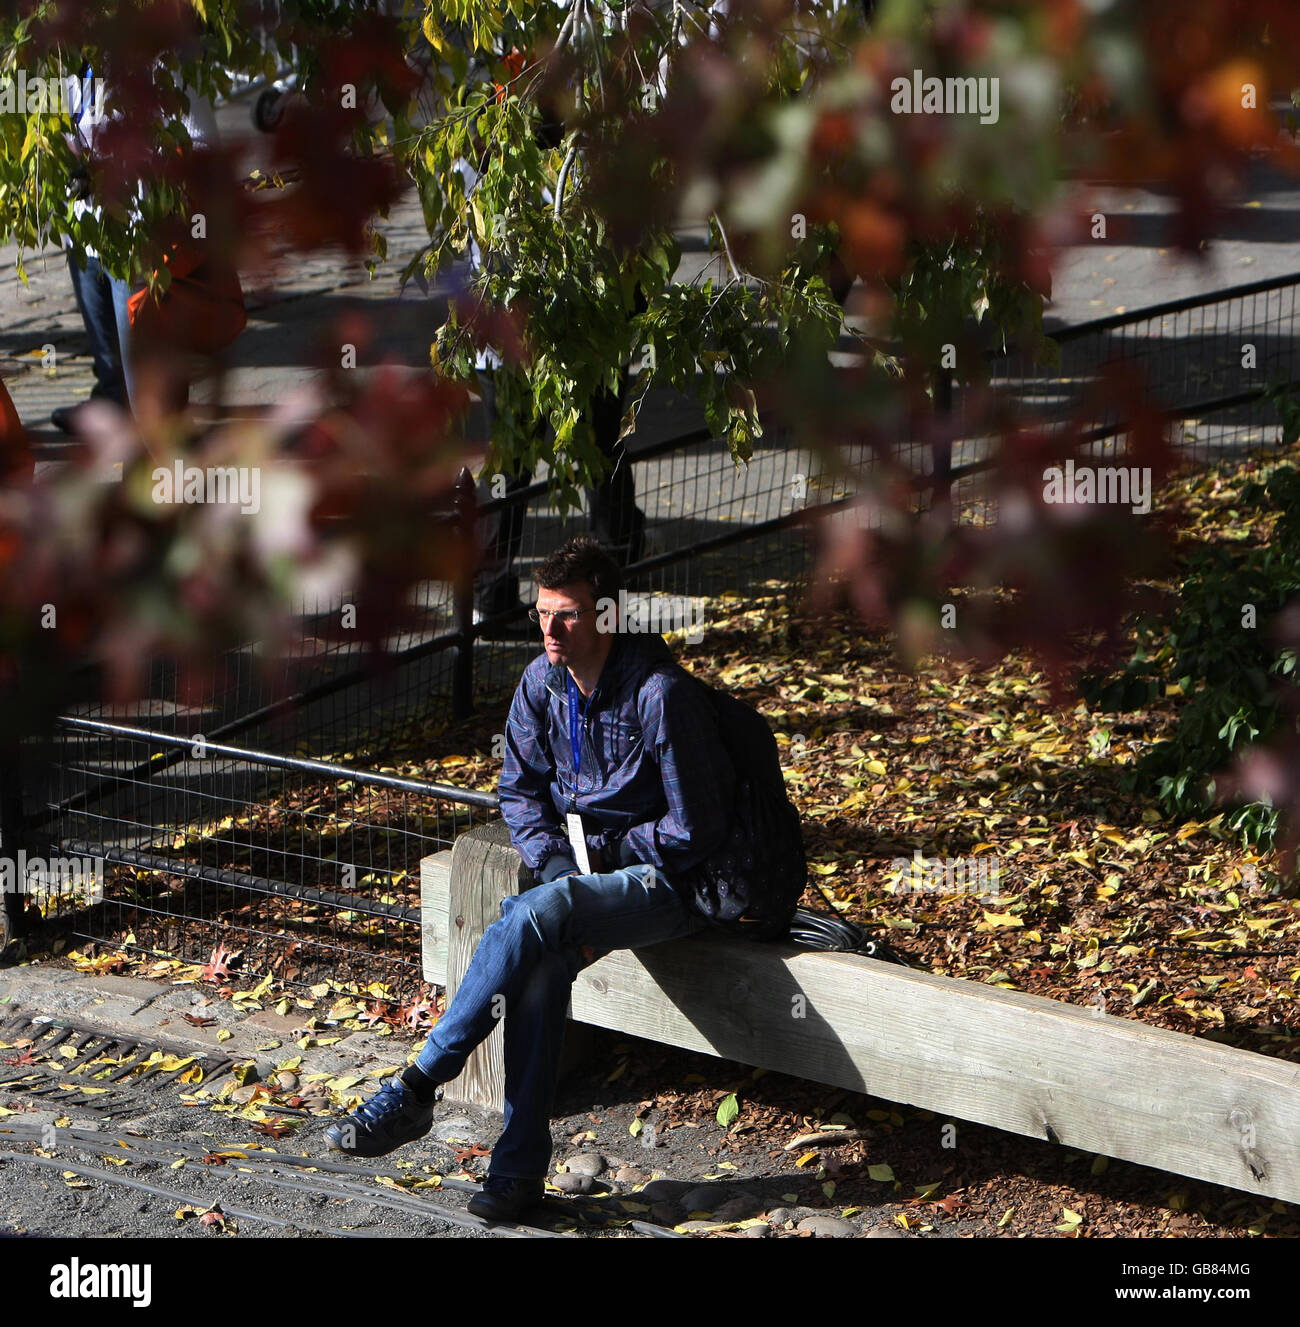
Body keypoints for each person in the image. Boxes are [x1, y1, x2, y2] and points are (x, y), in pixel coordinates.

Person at [324, 535, 736, 1221]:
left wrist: (597, 858)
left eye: (567, 614)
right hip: (579, 885)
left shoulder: (660, 694)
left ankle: (420, 1082)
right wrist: (553, 866)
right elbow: (518, 790)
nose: (550, 628)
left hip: (671, 886)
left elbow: (697, 828)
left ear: (606, 615)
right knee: (541, 965)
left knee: (535, 915)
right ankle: (516, 1175)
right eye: (542, 613)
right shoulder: (541, 683)